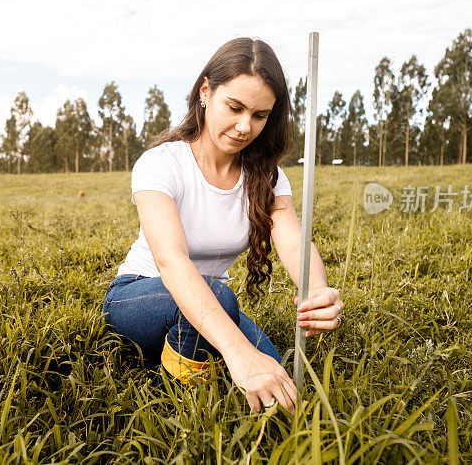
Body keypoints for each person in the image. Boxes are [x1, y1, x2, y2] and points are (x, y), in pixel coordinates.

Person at [102, 37, 343, 414]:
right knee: (224, 304)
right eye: (234, 107)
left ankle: (186, 351)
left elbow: (293, 242)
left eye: (260, 115)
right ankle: (179, 402)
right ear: (205, 92)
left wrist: (318, 292)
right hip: (139, 298)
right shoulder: (161, 163)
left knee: (281, 390)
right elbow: (171, 261)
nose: (245, 126)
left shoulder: (268, 177)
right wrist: (237, 352)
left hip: (212, 304)